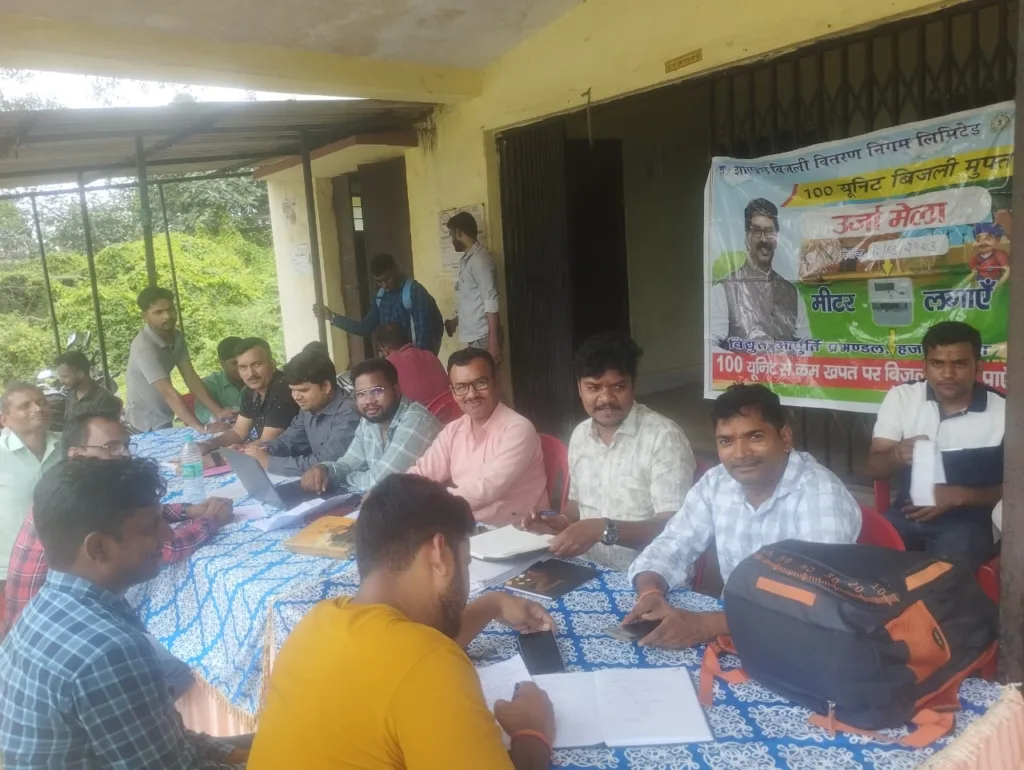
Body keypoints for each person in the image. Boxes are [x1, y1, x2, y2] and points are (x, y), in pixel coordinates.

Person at [248, 474, 556, 770]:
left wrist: (493, 605)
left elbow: (405, 658)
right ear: (438, 555)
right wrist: (532, 731)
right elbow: (421, 662)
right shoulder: (430, 664)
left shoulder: (315, 622)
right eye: (465, 563)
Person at [0, 458, 248, 769]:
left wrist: (248, 749)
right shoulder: (109, 650)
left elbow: (163, 743)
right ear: (98, 548)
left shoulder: (47, 607)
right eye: (149, 528)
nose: (168, 535)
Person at [624, 384, 861, 649]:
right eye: (726, 441)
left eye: (755, 436)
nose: (740, 454)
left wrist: (706, 625)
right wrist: (651, 591)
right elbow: (673, 543)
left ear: (785, 437)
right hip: (733, 627)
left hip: (801, 644)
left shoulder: (821, 496)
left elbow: (816, 601)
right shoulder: (717, 483)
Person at [4, 411, 233, 636]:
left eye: (126, 446)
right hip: (55, 632)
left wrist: (188, 510)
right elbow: (162, 548)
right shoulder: (74, 497)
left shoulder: (69, 485)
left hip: (44, 619)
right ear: (77, 454)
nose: (125, 455)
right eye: (111, 447)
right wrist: (211, 520)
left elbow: (129, 514)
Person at [522, 333, 695, 570]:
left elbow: (674, 527)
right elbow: (577, 503)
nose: (606, 399)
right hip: (586, 568)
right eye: (593, 387)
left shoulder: (664, 438)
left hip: (649, 575)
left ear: (633, 386)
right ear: (579, 388)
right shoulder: (581, 435)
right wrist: (560, 522)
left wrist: (603, 529)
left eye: (618, 387)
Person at [867, 321, 1003, 572]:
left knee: (941, 577)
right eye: (937, 364)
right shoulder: (903, 398)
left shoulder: (1005, 411)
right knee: (866, 562)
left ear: (978, 367)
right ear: (925, 367)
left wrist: (961, 496)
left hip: (970, 524)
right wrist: (896, 455)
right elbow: (874, 468)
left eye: (959, 364)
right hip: (906, 514)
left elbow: (1016, 492)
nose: (947, 374)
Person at [409, 348, 547, 526]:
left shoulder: (518, 429)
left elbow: (485, 488)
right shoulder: (453, 430)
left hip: (519, 530)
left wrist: (428, 502)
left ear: (496, 383)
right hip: (468, 526)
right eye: (461, 387)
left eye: (480, 383)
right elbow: (421, 473)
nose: (472, 394)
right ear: (453, 392)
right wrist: (401, 493)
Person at [301, 358, 441, 494]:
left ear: (396, 389)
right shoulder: (368, 422)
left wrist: (342, 479)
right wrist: (324, 470)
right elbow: (348, 464)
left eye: (377, 391)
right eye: (361, 394)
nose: (368, 401)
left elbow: (380, 482)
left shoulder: (417, 421)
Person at [125, 287, 234, 433]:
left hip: (165, 415)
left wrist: (218, 411)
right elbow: (167, 392)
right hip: (144, 423)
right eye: (158, 312)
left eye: (170, 309)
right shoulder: (144, 348)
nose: (167, 316)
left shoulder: (176, 336)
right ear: (145, 316)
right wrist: (201, 428)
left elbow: (190, 376)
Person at [709, 198, 811, 347]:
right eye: (757, 231)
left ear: (776, 238)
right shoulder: (723, 291)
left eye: (769, 232)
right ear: (746, 237)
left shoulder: (793, 294)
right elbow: (710, 345)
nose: (764, 239)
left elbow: (806, 345)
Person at [241, 349, 359, 476]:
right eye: (293, 390)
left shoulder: (349, 412)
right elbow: (287, 441)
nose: (296, 397)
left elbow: (326, 462)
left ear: (326, 387)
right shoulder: (309, 409)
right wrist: (257, 451)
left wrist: (269, 462)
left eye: (303, 390)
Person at [313, 253, 443, 354]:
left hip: (413, 360)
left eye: (388, 278)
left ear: (396, 269)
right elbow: (364, 328)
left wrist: (417, 364)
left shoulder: (414, 292)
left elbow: (424, 338)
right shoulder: (381, 296)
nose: (384, 285)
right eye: (379, 281)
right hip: (391, 361)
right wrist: (332, 317)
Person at [0, 383, 60, 601]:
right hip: (11, 567)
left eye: (42, 402)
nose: (37, 409)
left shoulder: (68, 446)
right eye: (24, 406)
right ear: (5, 419)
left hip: (64, 561)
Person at [200, 337, 300, 455]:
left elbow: (266, 442)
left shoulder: (282, 388)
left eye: (257, 365)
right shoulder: (251, 390)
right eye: (243, 367)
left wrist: (217, 457)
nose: (251, 374)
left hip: (295, 459)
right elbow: (238, 433)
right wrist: (208, 445)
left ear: (272, 365)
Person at [445, 211, 503, 363]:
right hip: (476, 337)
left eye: (451, 234)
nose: (451, 240)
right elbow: (472, 300)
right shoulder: (468, 260)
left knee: (485, 377)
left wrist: (493, 343)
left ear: (459, 232)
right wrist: (456, 321)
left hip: (483, 337)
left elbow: (491, 301)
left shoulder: (480, 260)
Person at [374, 322, 450, 406]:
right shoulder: (429, 354)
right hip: (449, 408)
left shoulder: (388, 364)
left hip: (420, 412)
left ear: (384, 350)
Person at [55, 350, 122, 423]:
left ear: (80, 373)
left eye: (65, 377)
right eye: (60, 377)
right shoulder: (71, 395)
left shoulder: (104, 400)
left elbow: (107, 429)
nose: (61, 381)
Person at [194, 336, 245, 425]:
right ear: (222, 363)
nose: (241, 367)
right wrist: (219, 415)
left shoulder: (256, 379)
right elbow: (201, 412)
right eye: (235, 363)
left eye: (243, 362)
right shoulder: (210, 383)